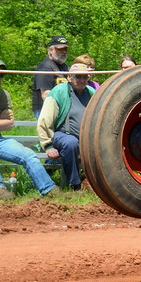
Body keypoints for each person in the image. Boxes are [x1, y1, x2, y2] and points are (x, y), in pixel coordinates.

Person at [0, 58, 62, 200]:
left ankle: (49, 189)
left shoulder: (4, 95)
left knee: (28, 154)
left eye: (1, 75)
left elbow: (9, 124)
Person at [37, 62, 94, 191]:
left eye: (85, 77)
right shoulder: (59, 92)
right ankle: (75, 185)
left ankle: (94, 181)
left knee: (103, 143)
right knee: (71, 143)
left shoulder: (91, 92)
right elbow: (45, 120)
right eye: (78, 76)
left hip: (85, 137)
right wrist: (48, 145)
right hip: (62, 135)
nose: (82, 80)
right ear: (69, 77)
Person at [32, 35, 69, 117]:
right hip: (45, 109)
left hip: (61, 109)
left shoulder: (64, 66)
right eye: (60, 49)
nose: (64, 52)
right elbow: (45, 94)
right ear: (51, 50)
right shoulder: (45, 67)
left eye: (65, 49)